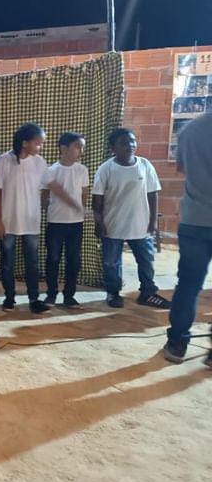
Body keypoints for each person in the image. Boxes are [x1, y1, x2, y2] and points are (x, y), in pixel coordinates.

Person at [92, 128, 171, 309]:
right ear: (113, 148)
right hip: (113, 225)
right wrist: (99, 223)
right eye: (124, 143)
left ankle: (148, 293)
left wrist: (153, 221)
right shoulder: (106, 169)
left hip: (140, 225)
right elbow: (97, 200)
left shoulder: (145, 165)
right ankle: (113, 293)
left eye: (133, 141)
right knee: (111, 263)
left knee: (146, 261)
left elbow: (153, 194)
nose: (130, 145)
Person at [162, 113, 212, 366]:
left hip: (194, 219)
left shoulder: (190, 130)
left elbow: (181, 168)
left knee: (188, 285)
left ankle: (177, 343)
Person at [0, 122, 51, 314]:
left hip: (31, 221)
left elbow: (46, 188)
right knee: (7, 262)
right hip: (8, 221)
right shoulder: (5, 160)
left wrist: (45, 206)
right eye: (38, 143)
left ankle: (34, 299)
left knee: (32, 262)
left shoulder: (40, 162)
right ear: (25, 143)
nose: (40, 147)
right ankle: (9, 297)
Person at [41, 132, 89, 308]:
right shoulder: (51, 170)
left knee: (73, 260)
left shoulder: (82, 170)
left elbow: (84, 195)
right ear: (63, 148)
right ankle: (51, 294)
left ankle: (69, 295)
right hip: (55, 222)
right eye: (77, 146)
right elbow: (44, 196)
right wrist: (51, 209)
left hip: (76, 224)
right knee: (53, 259)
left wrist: (80, 210)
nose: (81, 151)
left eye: (82, 147)